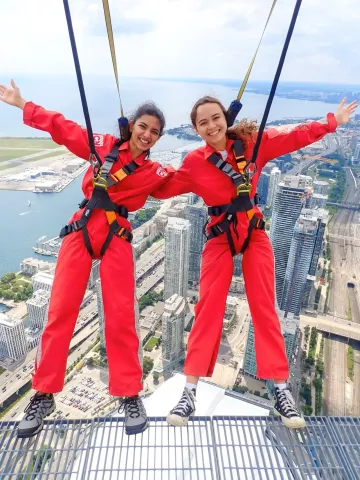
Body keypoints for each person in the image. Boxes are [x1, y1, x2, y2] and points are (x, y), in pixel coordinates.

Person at [154, 95, 357, 428]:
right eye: (202, 123)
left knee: (265, 305)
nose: (211, 126)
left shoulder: (251, 145)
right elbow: (161, 187)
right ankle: (189, 392)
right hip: (219, 236)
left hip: (254, 232)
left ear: (225, 118)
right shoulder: (194, 162)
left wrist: (331, 122)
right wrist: (123, 169)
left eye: (215, 118)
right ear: (196, 130)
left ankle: (280, 389)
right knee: (208, 307)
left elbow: (294, 134)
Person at [0, 80, 175, 438]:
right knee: (60, 311)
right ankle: (44, 394)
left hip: (117, 235)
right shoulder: (102, 147)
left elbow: (189, 178)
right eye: (143, 127)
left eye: (155, 132)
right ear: (131, 125)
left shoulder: (154, 173)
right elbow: (65, 129)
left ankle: (128, 393)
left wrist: (230, 155)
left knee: (121, 314)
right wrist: (22, 104)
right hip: (81, 230)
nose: (148, 135)